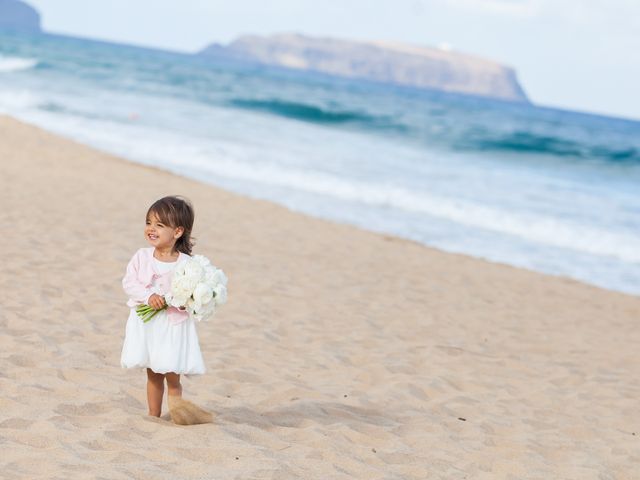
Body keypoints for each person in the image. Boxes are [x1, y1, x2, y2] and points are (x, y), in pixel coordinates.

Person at [120, 195, 207, 420]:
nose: (151, 229)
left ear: (177, 232)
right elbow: (130, 283)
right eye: (149, 222)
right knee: (153, 372)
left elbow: (189, 295)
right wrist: (149, 296)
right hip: (148, 324)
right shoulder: (141, 257)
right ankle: (153, 415)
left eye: (159, 225)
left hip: (172, 326)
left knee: (172, 373)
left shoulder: (186, 264)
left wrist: (173, 299)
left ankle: (179, 413)